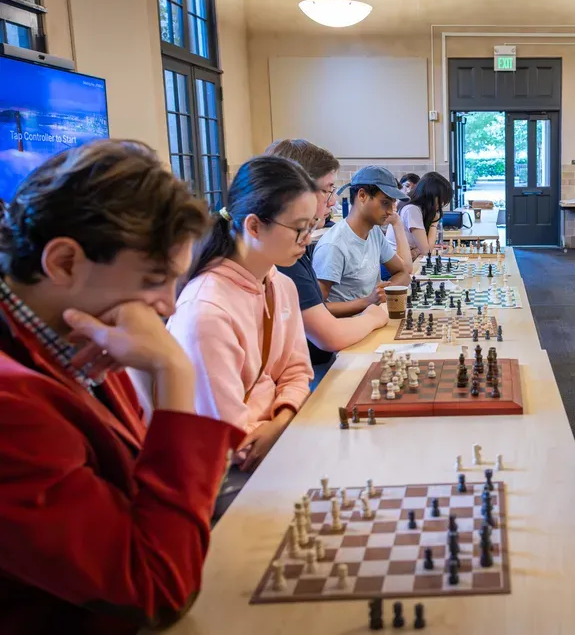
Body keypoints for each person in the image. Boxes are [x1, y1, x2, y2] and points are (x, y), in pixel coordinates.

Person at [0, 140, 242, 632]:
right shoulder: (11, 407)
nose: (170, 306)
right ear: (65, 262)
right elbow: (156, 589)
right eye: (155, 280)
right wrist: (176, 375)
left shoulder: (77, 334)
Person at [168, 156, 316, 477]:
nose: (307, 240)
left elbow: (297, 372)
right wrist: (280, 425)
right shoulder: (205, 311)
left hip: (277, 438)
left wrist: (282, 420)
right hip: (224, 472)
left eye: (312, 227)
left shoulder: (281, 284)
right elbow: (230, 440)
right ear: (253, 226)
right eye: (299, 229)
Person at [264, 140, 388, 383]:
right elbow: (328, 336)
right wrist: (373, 314)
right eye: (328, 190)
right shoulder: (283, 260)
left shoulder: (287, 258)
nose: (332, 202)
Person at [313, 166, 411, 317]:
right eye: (385, 203)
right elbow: (316, 309)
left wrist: (382, 294)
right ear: (362, 195)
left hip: (371, 323)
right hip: (346, 333)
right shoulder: (333, 245)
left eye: (393, 204)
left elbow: (403, 272)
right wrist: (368, 301)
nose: (391, 211)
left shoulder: (374, 232)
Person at [386, 171, 454, 260]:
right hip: (393, 264)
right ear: (431, 195)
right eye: (442, 200)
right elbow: (427, 251)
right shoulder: (412, 209)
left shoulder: (415, 207)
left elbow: (423, 249)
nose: (442, 204)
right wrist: (434, 224)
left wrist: (417, 250)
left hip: (401, 260)